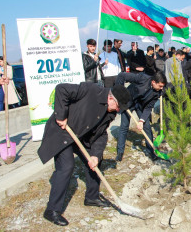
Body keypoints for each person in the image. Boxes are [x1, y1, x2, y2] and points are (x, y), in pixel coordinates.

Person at [38, 83, 131, 226]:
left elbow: (101, 135)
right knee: (67, 166)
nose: (118, 111)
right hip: (63, 132)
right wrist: (61, 115)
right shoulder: (91, 90)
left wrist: (95, 155)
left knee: (96, 161)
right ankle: (52, 210)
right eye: (118, 107)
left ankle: (92, 197)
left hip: (81, 137)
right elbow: (61, 89)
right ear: (111, 99)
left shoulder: (110, 113)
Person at [115, 71, 167, 161]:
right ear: (153, 82)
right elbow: (122, 76)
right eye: (160, 86)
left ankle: (151, 151)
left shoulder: (157, 92)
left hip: (140, 105)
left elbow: (148, 107)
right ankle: (120, 152)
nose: (162, 89)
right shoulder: (142, 78)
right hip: (128, 101)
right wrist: (120, 94)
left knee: (147, 127)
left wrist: (141, 121)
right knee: (124, 126)